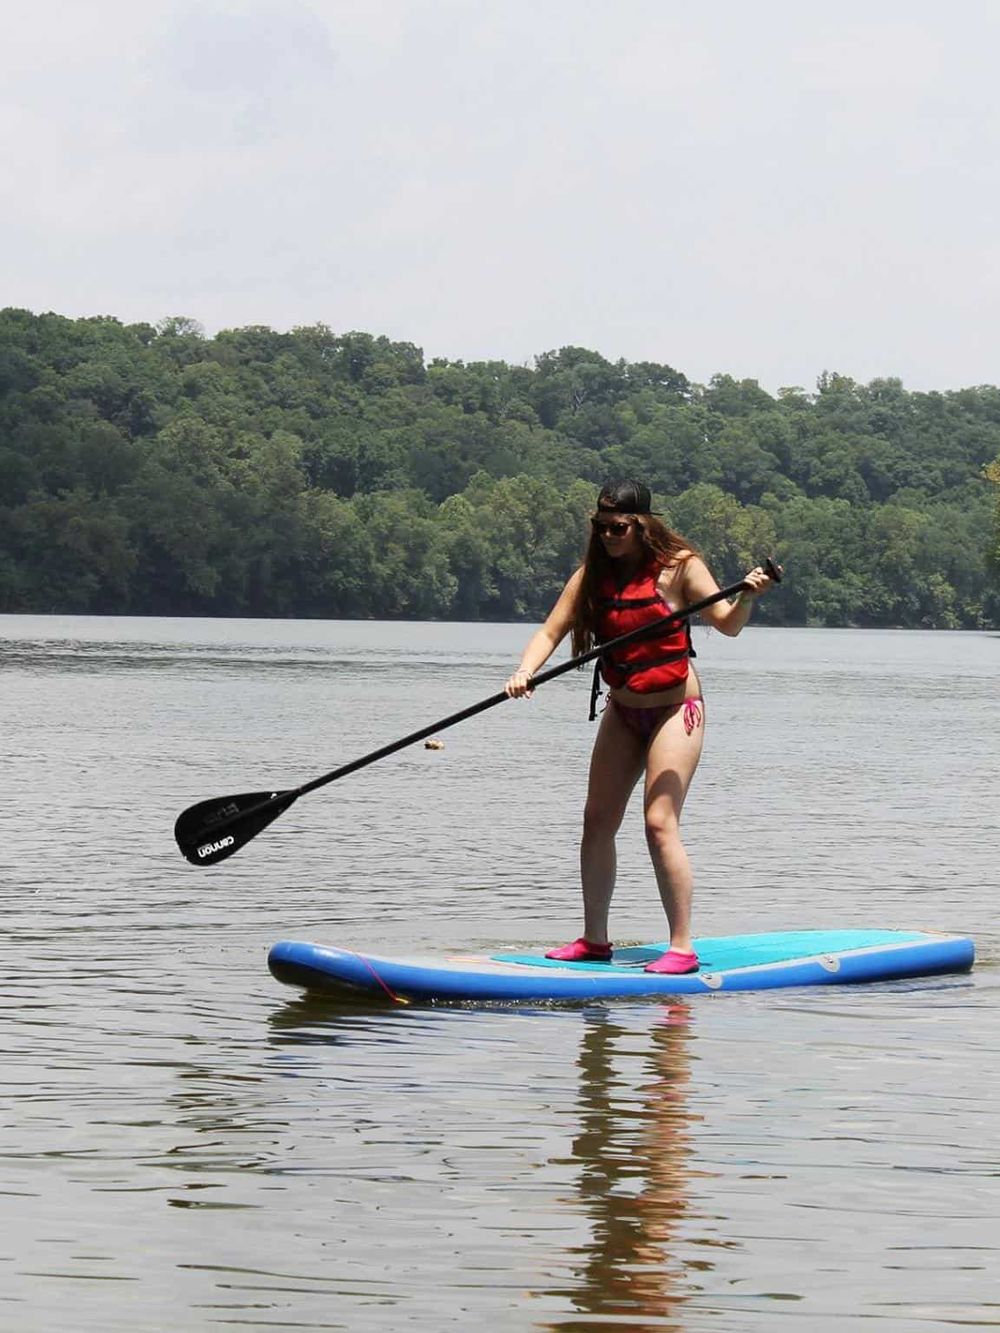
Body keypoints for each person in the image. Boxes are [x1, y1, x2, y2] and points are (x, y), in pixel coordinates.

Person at [504, 480, 776, 975]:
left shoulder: (680, 568)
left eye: (618, 527)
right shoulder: (590, 577)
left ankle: (681, 947)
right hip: (624, 710)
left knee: (658, 822)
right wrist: (525, 671)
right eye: (600, 526)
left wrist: (748, 597)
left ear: (642, 525)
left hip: (677, 709)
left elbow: (726, 622)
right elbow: (549, 632)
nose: (608, 535)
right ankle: (594, 940)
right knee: (596, 820)